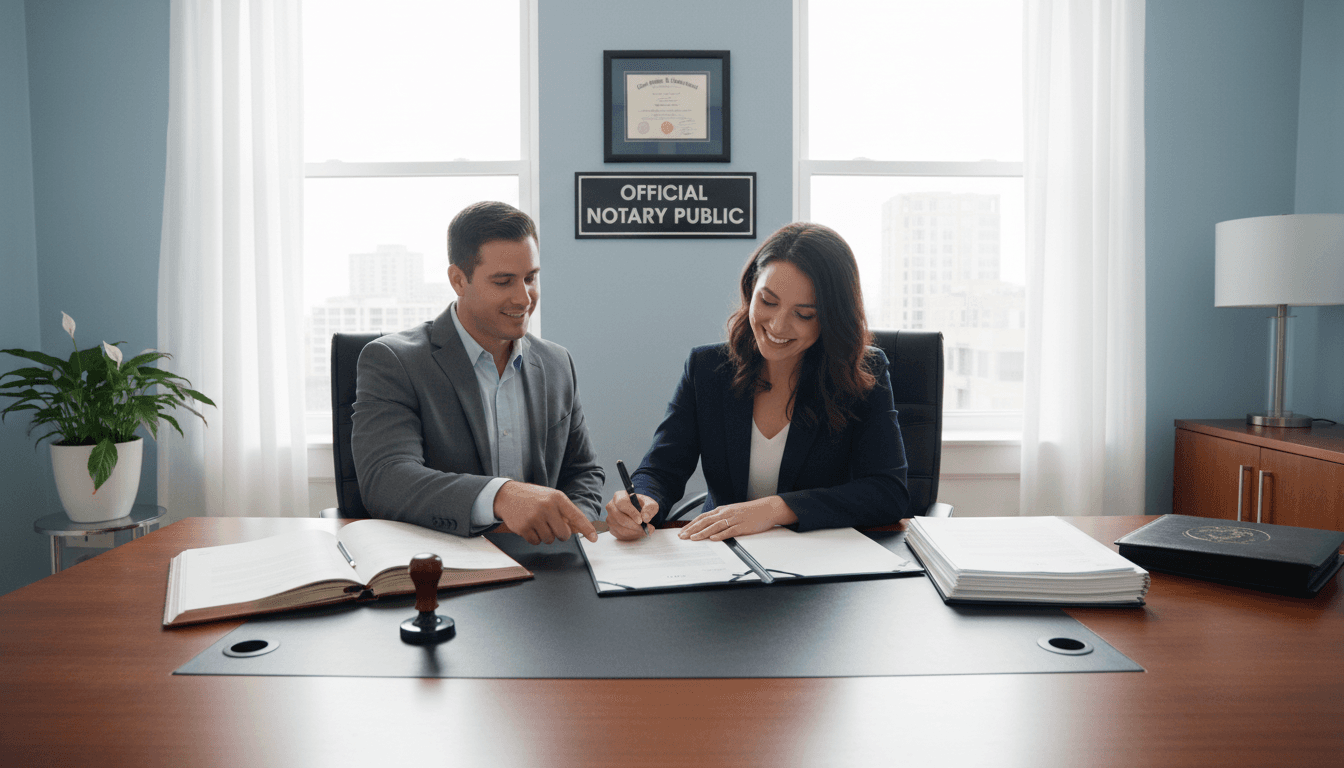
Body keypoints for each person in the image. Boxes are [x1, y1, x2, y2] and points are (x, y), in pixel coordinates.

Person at [605, 222, 910, 541]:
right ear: (751, 289)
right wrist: (641, 501)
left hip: (820, 562)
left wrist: (775, 509)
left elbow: (888, 493)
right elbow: (661, 469)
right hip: (725, 556)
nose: (778, 325)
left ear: (832, 317)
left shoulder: (862, 372)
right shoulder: (707, 368)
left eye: (803, 314)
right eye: (768, 301)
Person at [352, 201, 602, 545]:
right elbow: (387, 479)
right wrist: (501, 496)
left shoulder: (557, 363)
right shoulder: (393, 361)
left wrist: (573, 524)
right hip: (445, 564)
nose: (524, 298)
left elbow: (583, 472)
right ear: (458, 280)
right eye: (503, 282)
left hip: (547, 563)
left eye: (530, 278)